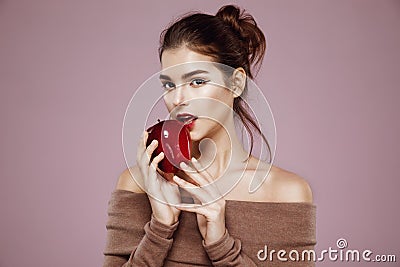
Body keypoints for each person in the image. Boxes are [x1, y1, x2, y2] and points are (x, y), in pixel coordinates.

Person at [103, 4, 316, 267]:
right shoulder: (137, 184)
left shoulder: (286, 193)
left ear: (236, 83)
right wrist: (160, 228)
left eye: (197, 82)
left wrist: (220, 245)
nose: (178, 99)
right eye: (169, 85)